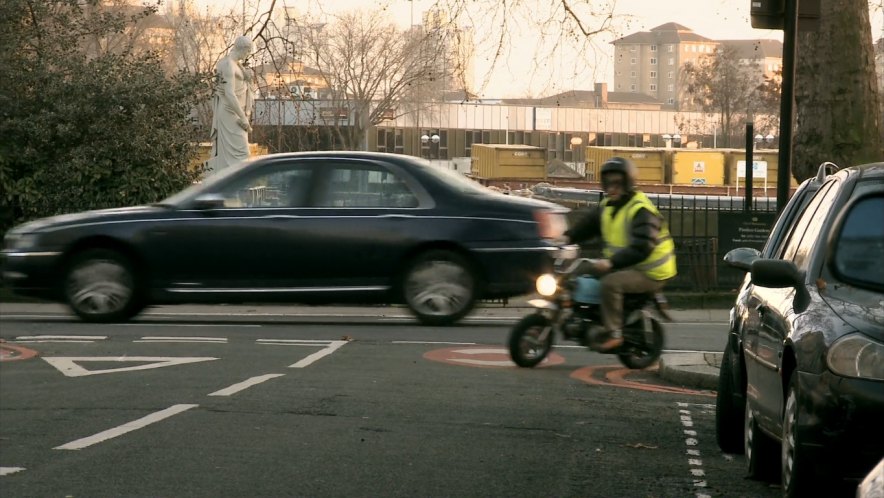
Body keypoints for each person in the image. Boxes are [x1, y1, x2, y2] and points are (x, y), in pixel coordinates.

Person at [563, 156, 677, 352]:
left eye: (617, 183)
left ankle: (614, 333)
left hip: (651, 271)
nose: (612, 188)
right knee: (580, 272)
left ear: (628, 183)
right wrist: (566, 237)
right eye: (608, 183)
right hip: (627, 265)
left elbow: (643, 247)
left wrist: (611, 263)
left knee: (610, 283)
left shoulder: (641, 210)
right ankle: (588, 318)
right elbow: (588, 225)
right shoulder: (608, 207)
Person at [207, 36, 255, 175]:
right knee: (242, 154)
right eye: (248, 52)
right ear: (244, 49)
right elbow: (229, 93)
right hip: (230, 113)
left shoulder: (236, 64)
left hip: (235, 113)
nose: (247, 55)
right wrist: (243, 117)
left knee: (240, 155)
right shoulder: (228, 64)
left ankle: (230, 181)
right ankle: (232, 183)